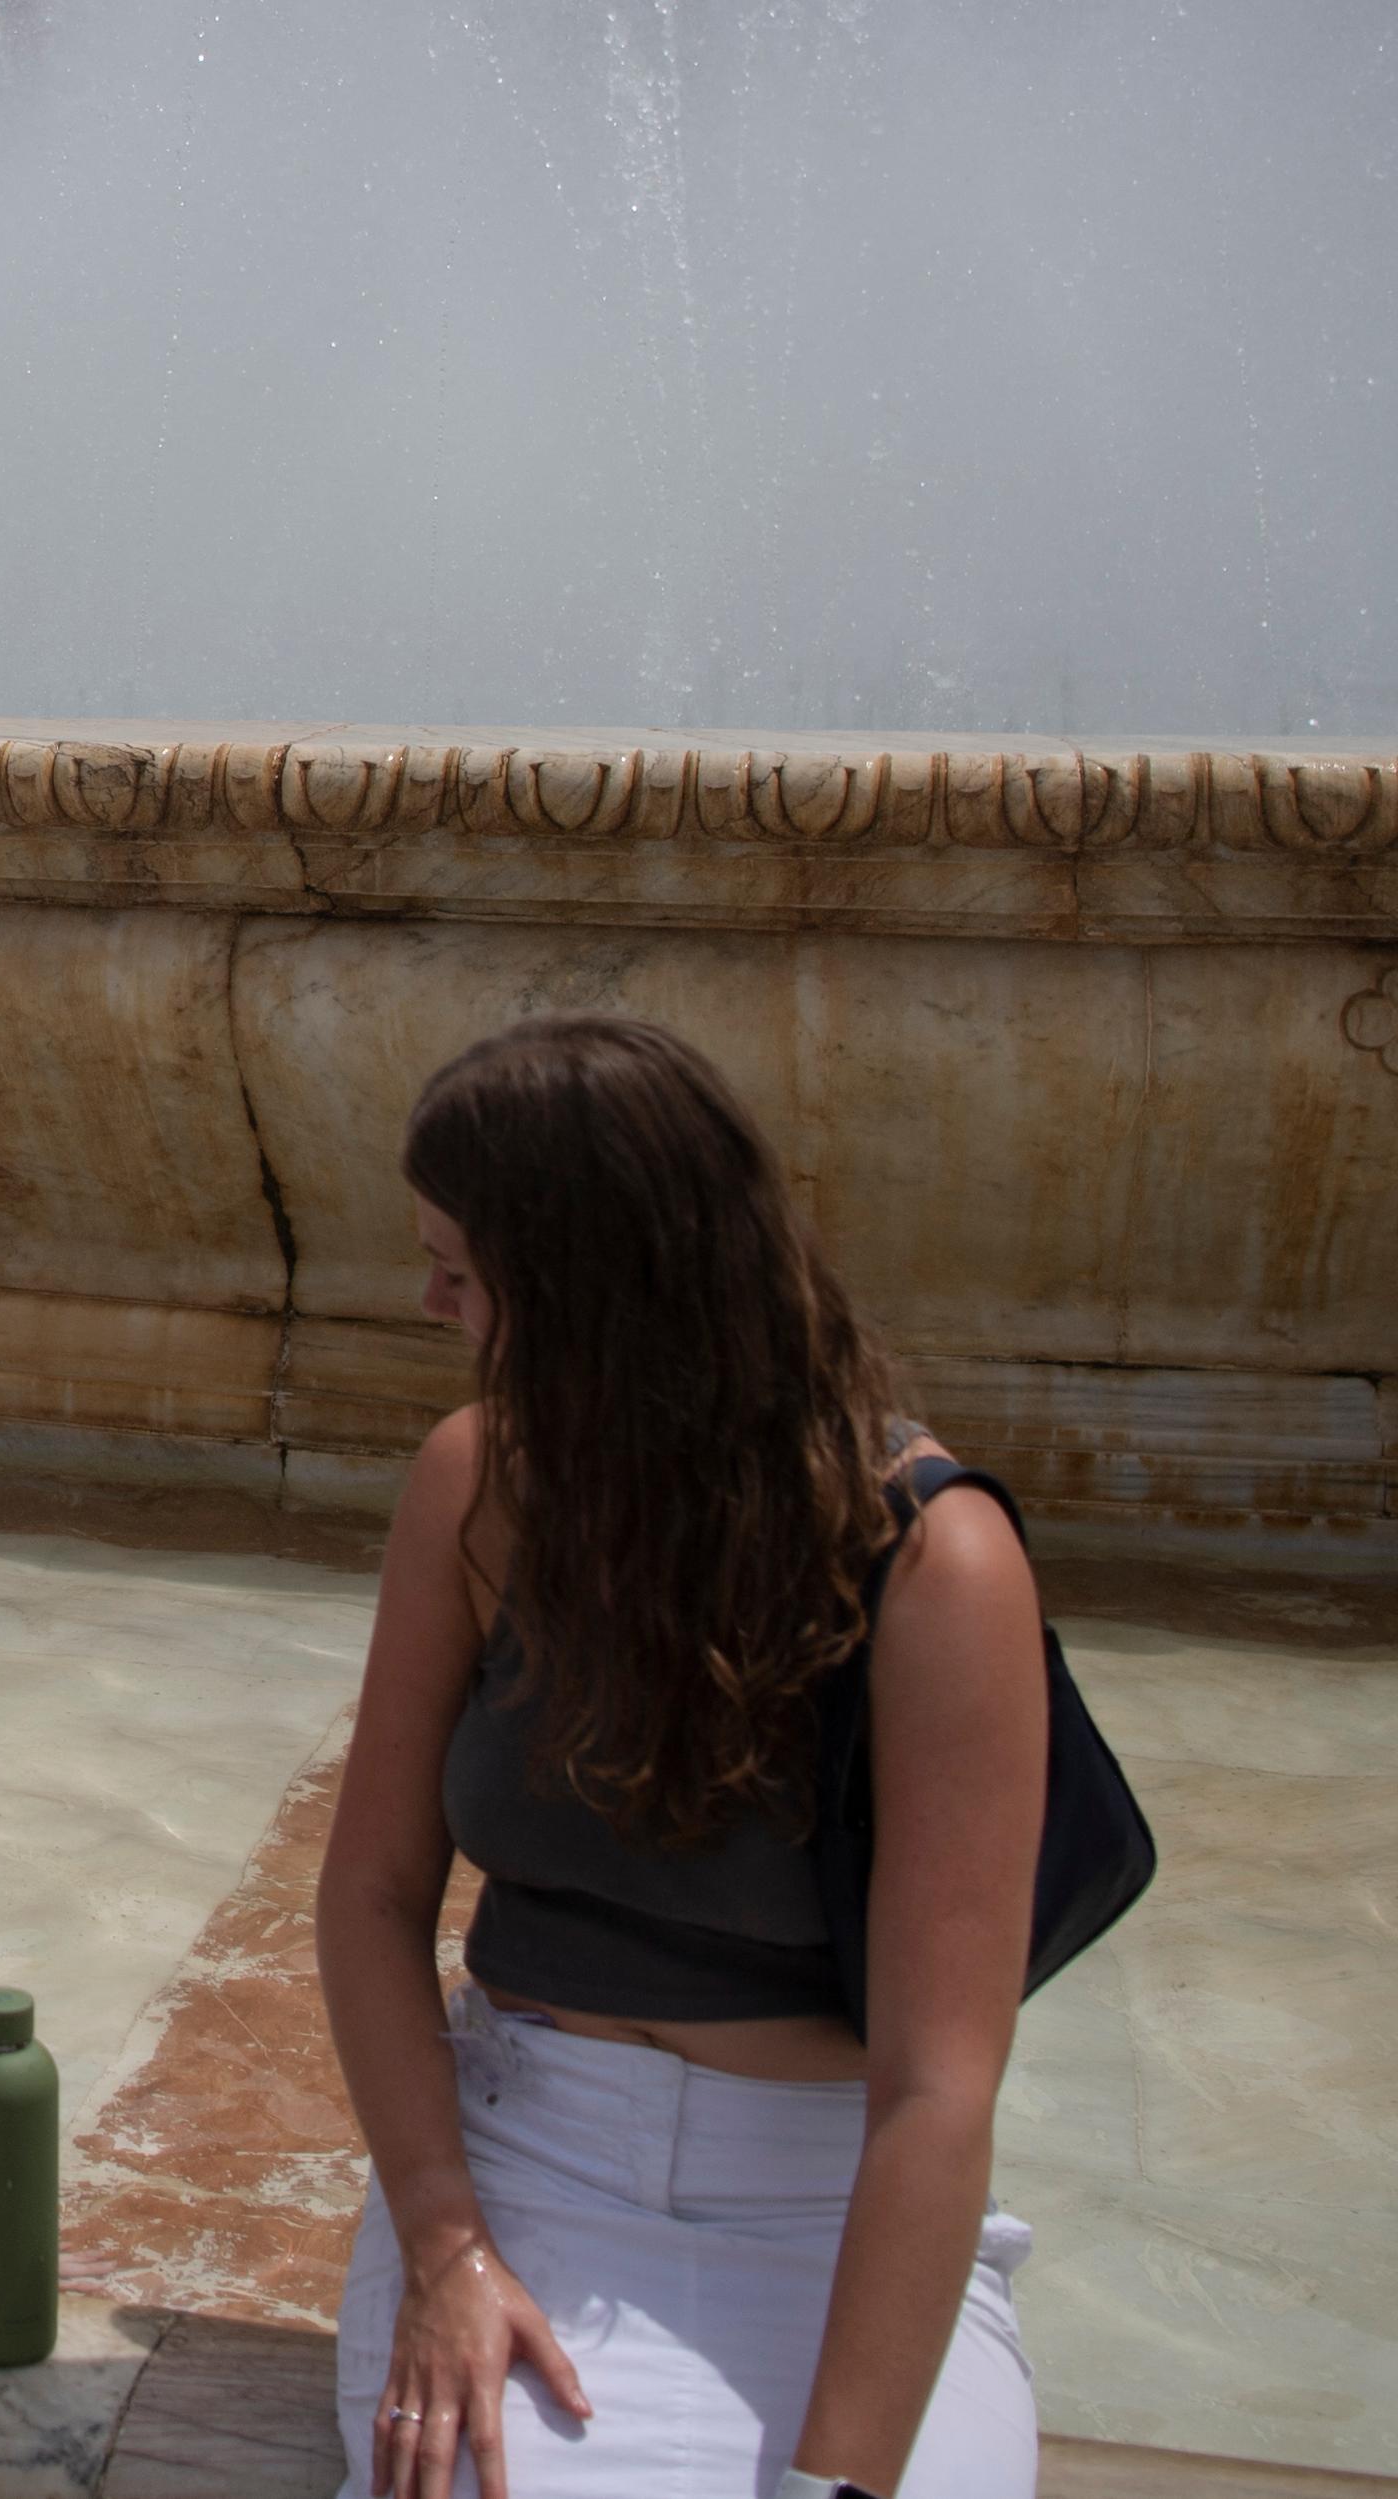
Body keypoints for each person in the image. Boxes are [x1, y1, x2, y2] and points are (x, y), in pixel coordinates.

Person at [315, 1016, 1049, 2499]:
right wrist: (447, 2242)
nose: (429, 1298)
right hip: (529, 2164)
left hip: (828, 2192)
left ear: (588, 1289)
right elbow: (370, 1898)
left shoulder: (934, 1558)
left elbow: (937, 2086)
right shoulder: (475, 1485)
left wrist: (837, 2482)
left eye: (461, 1267)